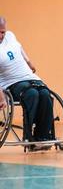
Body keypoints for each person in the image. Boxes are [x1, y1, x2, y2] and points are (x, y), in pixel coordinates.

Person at [0, 16, 53, 150]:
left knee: (46, 94)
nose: (1, 35)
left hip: (29, 76)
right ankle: (29, 137)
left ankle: (43, 137)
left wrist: (29, 61)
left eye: (2, 32)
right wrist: (1, 97)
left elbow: (19, 48)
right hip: (10, 83)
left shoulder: (10, 36)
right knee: (31, 94)